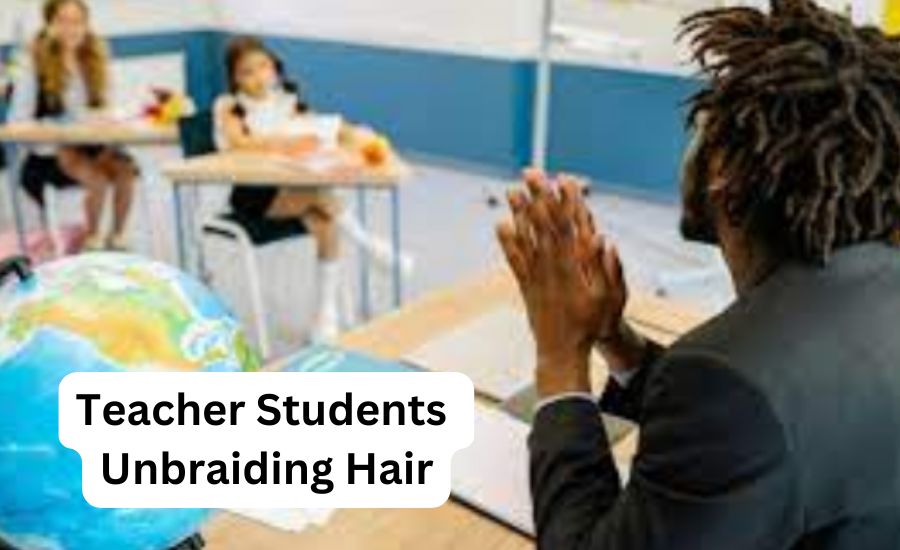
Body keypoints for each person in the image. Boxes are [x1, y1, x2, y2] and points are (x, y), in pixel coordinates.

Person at [496, 0, 900, 548]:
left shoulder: (727, 382)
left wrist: (559, 356)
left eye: (708, 126)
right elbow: (772, 426)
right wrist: (617, 340)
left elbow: (740, 409)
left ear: (725, 174)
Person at [214, 36, 411, 342]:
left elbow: (314, 126)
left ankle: (324, 314)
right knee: (318, 193)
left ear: (275, 68)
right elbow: (239, 142)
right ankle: (370, 248)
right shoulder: (230, 107)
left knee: (326, 224)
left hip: (293, 188)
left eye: (263, 67)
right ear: (234, 78)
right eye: (247, 71)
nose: (258, 76)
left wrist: (348, 133)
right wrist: (281, 140)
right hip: (254, 198)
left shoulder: (287, 100)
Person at [8, 0, 138, 251]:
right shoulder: (33, 63)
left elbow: (107, 105)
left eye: (77, 21)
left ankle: (118, 238)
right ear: (49, 25)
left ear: (87, 24)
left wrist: (105, 118)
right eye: (62, 21)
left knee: (126, 170)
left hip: (91, 143)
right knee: (96, 178)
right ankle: (92, 241)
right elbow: (18, 122)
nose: (71, 29)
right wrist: (62, 126)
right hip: (50, 152)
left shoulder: (94, 58)